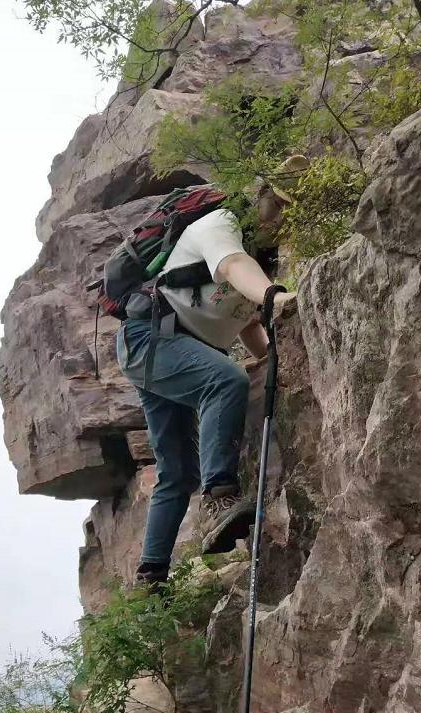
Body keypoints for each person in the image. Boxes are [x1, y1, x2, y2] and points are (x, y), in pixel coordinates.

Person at [116, 157, 308, 588]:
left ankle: (152, 575)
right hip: (151, 339)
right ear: (259, 198)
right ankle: (220, 497)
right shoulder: (220, 225)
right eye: (275, 205)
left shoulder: (259, 256)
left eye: (285, 210)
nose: (279, 217)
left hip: (171, 349)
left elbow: (247, 324)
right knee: (225, 380)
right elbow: (232, 269)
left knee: (177, 471)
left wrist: (275, 353)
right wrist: (276, 296)